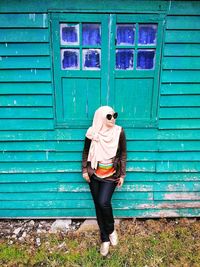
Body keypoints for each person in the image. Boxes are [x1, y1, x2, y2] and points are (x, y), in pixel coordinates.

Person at [82, 106, 127, 256]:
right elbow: (86, 152)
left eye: (114, 115)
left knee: (103, 202)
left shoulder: (119, 131)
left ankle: (111, 229)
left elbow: (123, 154)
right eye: (109, 116)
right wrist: (84, 170)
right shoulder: (92, 133)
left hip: (111, 175)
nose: (113, 118)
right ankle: (104, 240)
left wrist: (122, 175)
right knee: (98, 206)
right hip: (94, 174)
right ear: (101, 118)